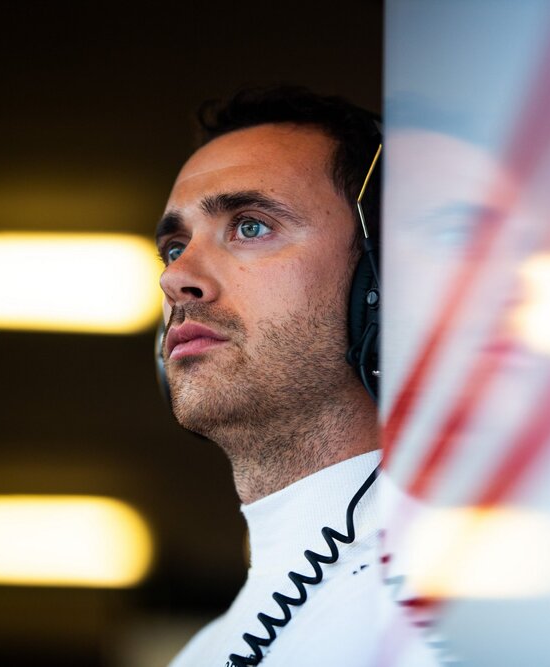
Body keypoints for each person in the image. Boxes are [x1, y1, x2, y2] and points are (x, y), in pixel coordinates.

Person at [156, 87, 431, 667]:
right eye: (175, 247)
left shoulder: (450, 616)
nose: (175, 278)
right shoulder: (201, 653)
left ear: (380, 282)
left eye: (251, 227)